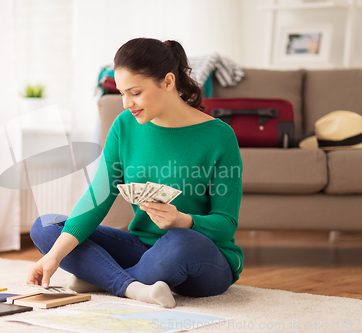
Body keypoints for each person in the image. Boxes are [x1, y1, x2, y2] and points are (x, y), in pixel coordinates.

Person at [28, 37, 244, 308]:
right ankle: (133, 286)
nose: (126, 103)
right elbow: (97, 196)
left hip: (203, 257)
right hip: (143, 249)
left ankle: (105, 278)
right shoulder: (124, 126)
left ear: (167, 82)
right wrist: (55, 256)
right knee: (46, 227)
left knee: (181, 242)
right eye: (121, 93)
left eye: (135, 92)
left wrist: (183, 220)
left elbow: (226, 224)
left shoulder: (219, 136)